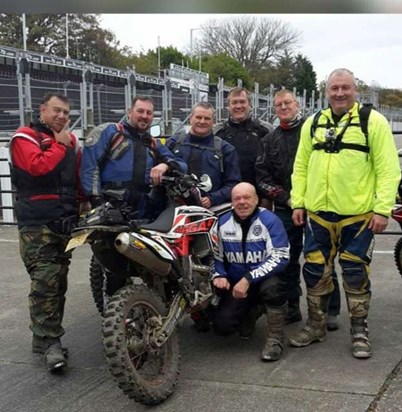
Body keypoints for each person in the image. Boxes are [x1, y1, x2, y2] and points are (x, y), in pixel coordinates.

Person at [289, 68, 401, 358]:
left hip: (358, 216)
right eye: (334, 88)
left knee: (355, 272)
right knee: (314, 270)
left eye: (345, 88)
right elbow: (300, 165)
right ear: (326, 91)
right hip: (317, 214)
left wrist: (382, 208)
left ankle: (360, 330)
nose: (339, 93)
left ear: (355, 90)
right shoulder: (313, 123)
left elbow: (389, 170)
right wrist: (298, 202)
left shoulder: (373, 122)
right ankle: (316, 326)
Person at [81, 95, 187, 294]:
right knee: (115, 269)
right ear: (130, 111)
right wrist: (97, 202)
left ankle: (152, 307)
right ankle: (113, 312)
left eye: (149, 113)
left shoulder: (153, 143)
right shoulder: (110, 132)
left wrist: (165, 164)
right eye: (140, 111)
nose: (144, 116)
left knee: (153, 263)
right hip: (110, 209)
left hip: (142, 213)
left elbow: (181, 164)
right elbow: (89, 166)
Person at [9, 93, 84, 372]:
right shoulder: (24, 137)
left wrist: (84, 201)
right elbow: (36, 167)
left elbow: (76, 178)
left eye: (65, 112)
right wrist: (60, 146)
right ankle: (51, 341)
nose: (62, 116)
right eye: (56, 111)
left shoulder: (70, 141)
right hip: (36, 224)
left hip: (63, 222)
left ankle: (42, 337)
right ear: (42, 110)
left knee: (58, 281)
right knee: (45, 281)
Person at [255, 90, 341, 329]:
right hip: (285, 207)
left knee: (323, 258)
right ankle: (292, 306)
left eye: (288, 103)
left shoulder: (316, 131)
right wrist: (288, 198)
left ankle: (329, 309)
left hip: (318, 207)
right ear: (274, 109)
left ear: (297, 104)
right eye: (279, 104)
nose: (283, 107)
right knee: (287, 260)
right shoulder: (269, 140)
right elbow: (262, 177)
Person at [210, 182, 289, 361]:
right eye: (237, 198)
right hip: (238, 284)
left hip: (265, 279)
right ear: (231, 202)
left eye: (247, 197)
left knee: (273, 289)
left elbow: (281, 257)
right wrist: (219, 274)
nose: (242, 202)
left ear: (256, 200)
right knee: (222, 327)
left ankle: (275, 339)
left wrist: (249, 278)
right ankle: (251, 311)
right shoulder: (221, 223)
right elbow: (215, 256)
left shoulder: (270, 220)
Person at [166, 101, 241, 208]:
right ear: (191, 118)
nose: (202, 121)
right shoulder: (173, 143)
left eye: (207, 118)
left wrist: (213, 198)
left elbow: (233, 184)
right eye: (198, 117)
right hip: (174, 208)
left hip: (212, 210)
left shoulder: (226, 149)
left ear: (213, 121)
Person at [214, 87, 273, 192]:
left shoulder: (265, 130)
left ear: (250, 105)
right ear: (228, 106)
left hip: (257, 194)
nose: (238, 106)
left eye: (242, 102)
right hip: (225, 195)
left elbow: (271, 166)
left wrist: (267, 197)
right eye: (234, 102)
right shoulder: (217, 132)